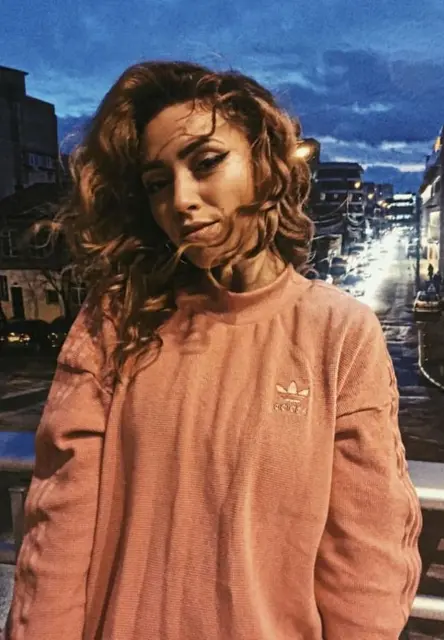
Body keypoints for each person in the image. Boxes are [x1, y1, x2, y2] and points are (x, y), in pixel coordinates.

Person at [5, 61, 422, 640]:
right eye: (157, 183)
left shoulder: (338, 332)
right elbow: (59, 531)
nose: (180, 200)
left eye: (206, 163)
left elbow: (366, 552)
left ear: (263, 163)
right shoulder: (116, 322)